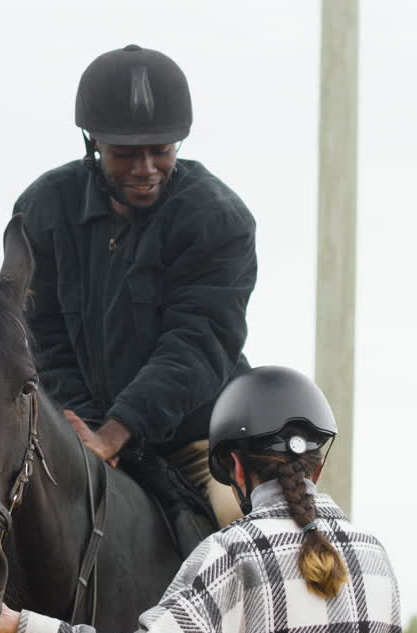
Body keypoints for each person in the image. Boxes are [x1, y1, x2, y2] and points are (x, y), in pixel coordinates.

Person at [0, 366, 404, 633]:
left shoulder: (231, 556)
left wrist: (17, 630)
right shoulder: (375, 559)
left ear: (235, 469)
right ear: (317, 469)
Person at [15, 43, 258, 536]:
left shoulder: (219, 218)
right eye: (126, 153)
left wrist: (116, 433)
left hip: (198, 443)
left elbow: (195, 345)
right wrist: (87, 435)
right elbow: (43, 339)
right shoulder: (41, 211)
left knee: (248, 525)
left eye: (161, 150)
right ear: (93, 143)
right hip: (81, 434)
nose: (146, 167)